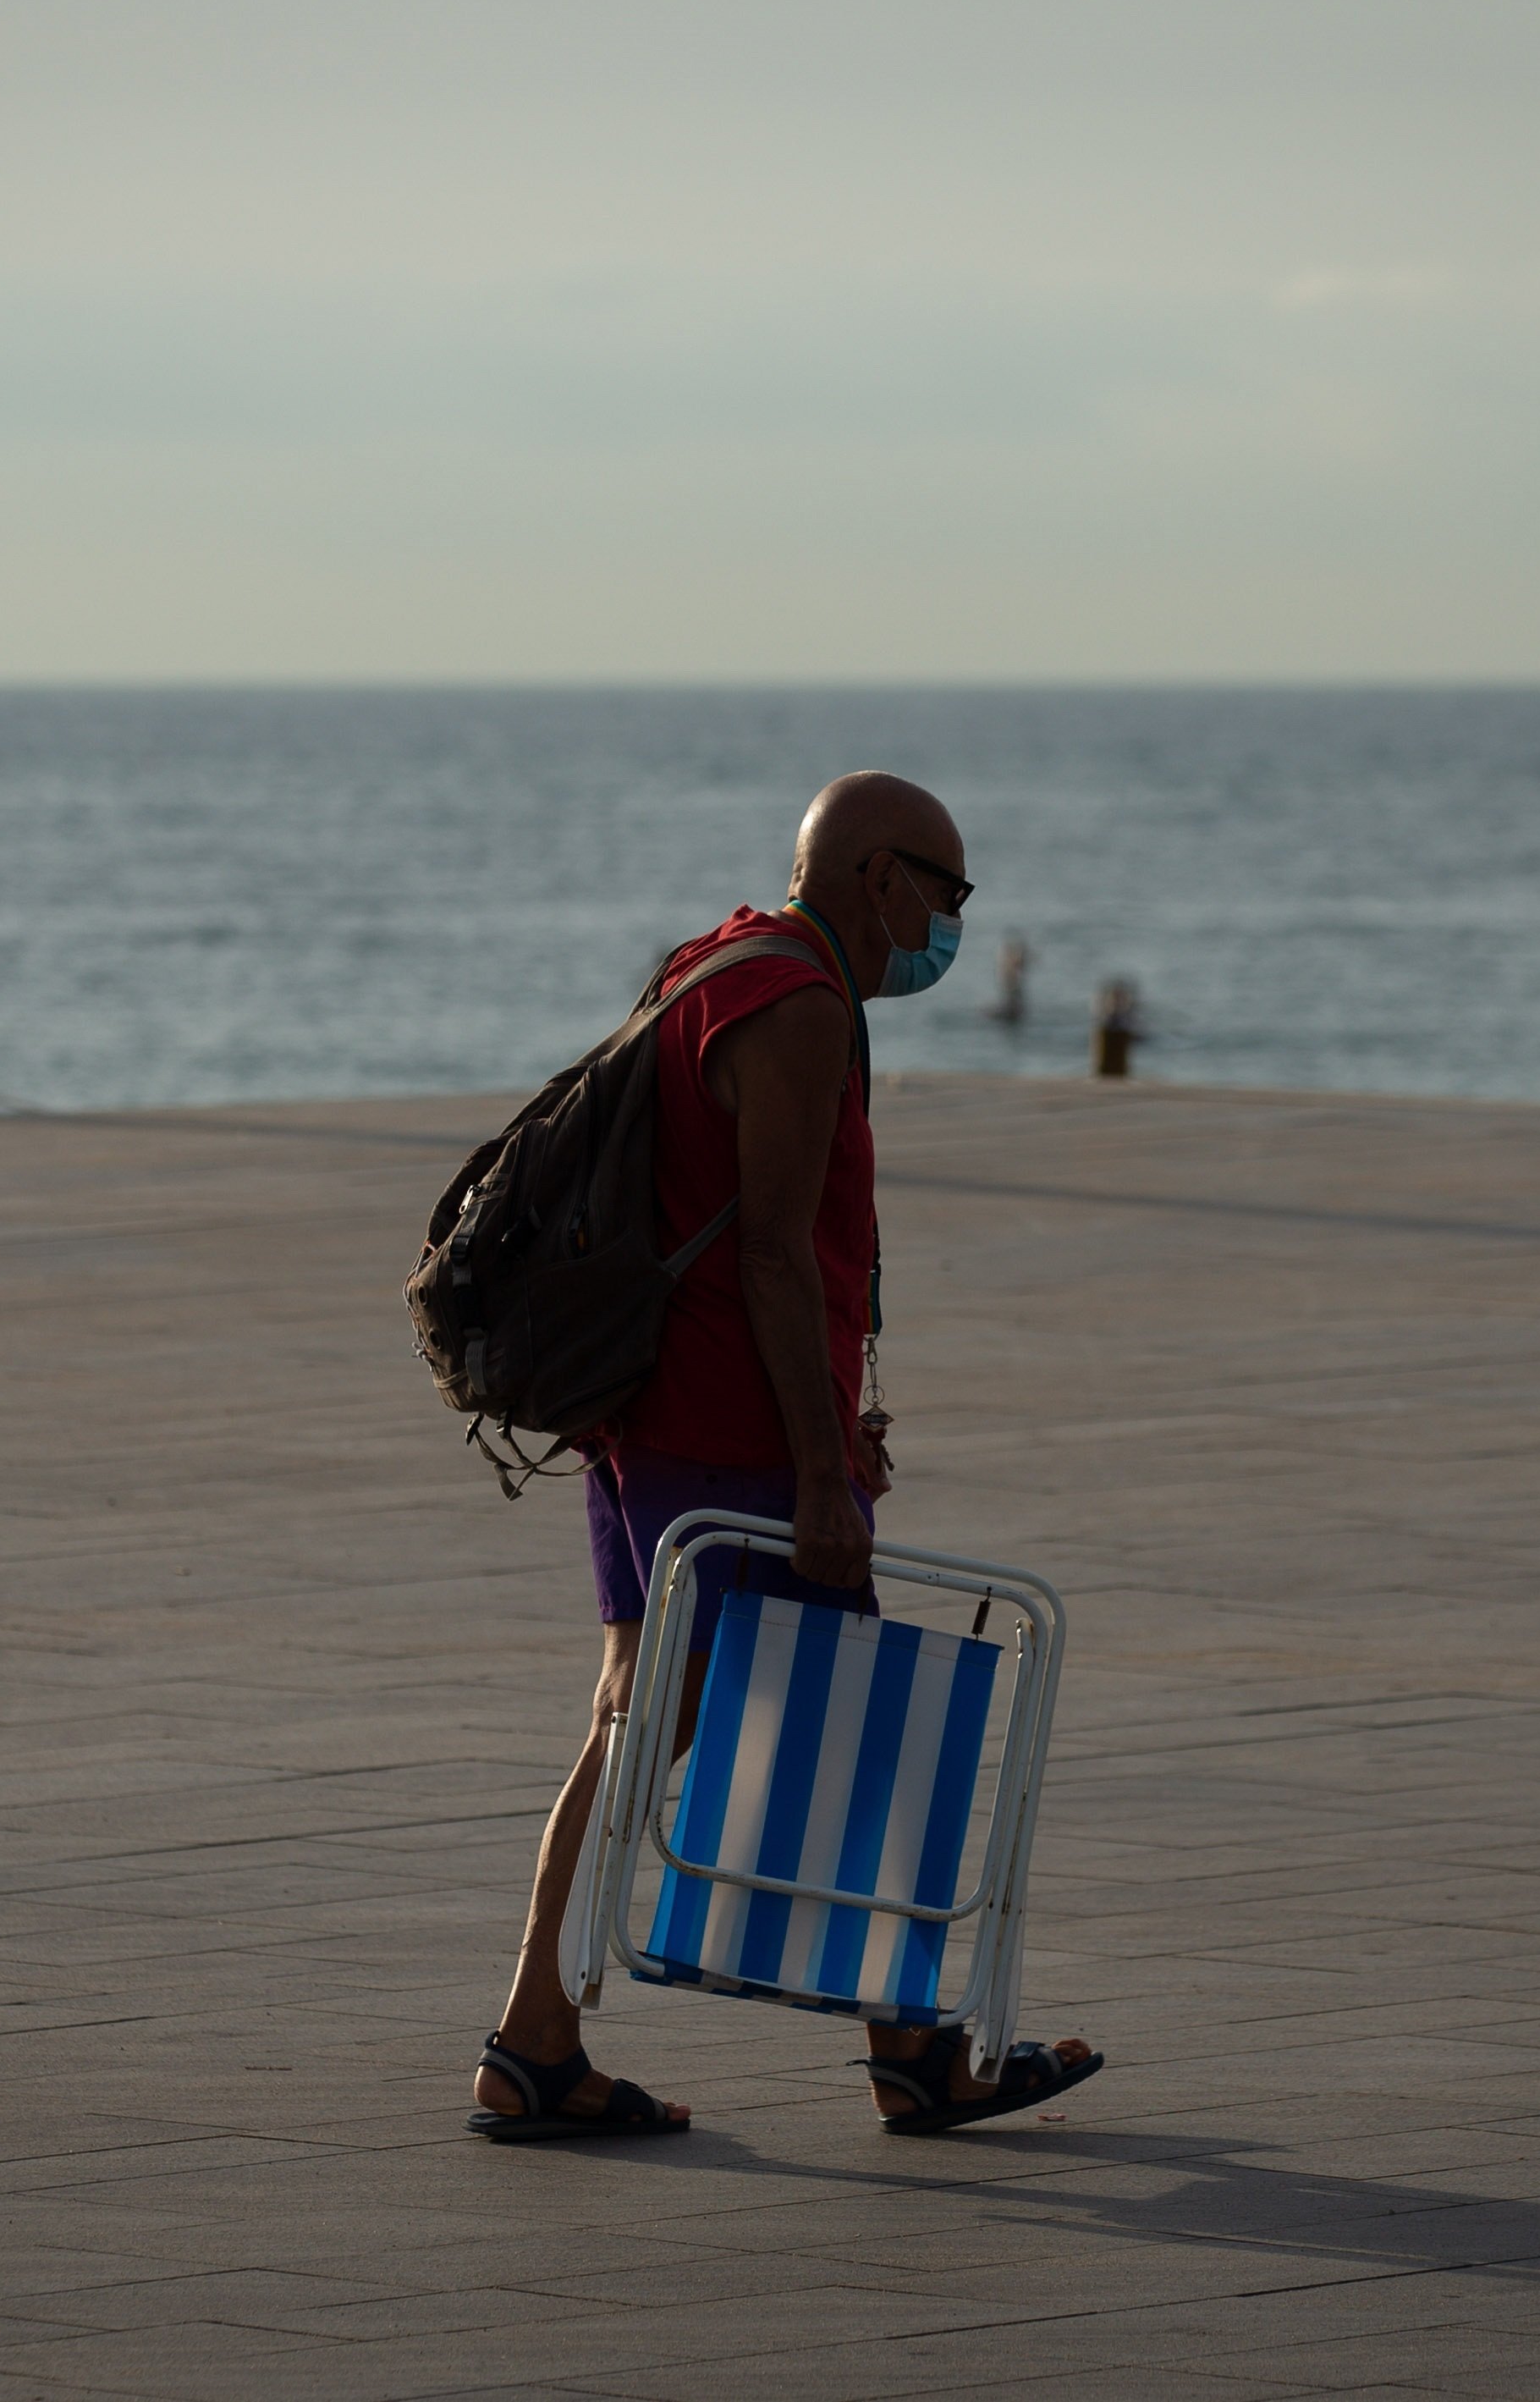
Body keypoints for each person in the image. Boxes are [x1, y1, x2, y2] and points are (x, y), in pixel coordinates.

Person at [469, 770, 1104, 2140]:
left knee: (635, 1719)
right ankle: (920, 2055)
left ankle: (535, 2041)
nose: (946, 923)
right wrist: (820, 1471)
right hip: (727, 1436)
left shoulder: (718, 959)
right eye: (946, 891)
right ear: (877, 875)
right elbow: (765, 1250)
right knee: (857, 1728)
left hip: (646, 1419)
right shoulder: (803, 1007)